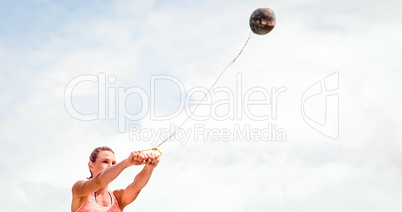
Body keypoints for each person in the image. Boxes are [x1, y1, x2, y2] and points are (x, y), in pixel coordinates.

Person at [71, 146, 159, 212]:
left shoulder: (118, 198)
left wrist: (149, 167)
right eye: (105, 161)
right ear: (91, 165)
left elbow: (136, 187)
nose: (110, 166)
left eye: (113, 163)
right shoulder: (79, 189)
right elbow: (99, 181)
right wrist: (126, 163)